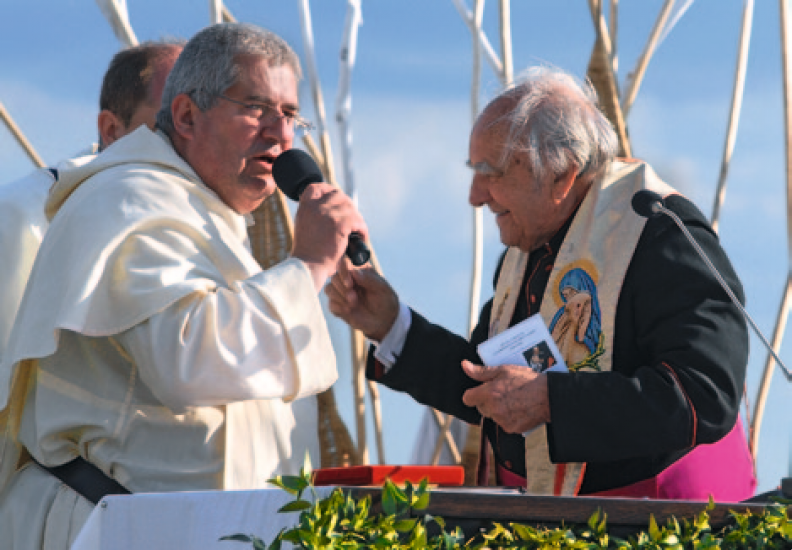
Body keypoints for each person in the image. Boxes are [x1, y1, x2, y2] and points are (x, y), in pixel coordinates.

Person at [0, 22, 366, 549]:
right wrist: (307, 264)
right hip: (114, 531)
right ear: (187, 116)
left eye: (289, 114)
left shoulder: (201, 213)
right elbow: (188, 358)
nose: (282, 136)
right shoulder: (126, 198)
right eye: (257, 107)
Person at [327, 65, 756, 501]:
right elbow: (488, 385)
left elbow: (706, 389)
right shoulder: (527, 248)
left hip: (659, 516)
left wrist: (553, 400)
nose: (475, 196)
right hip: (549, 519)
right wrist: (390, 325)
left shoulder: (658, 230)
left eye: (491, 172)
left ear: (561, 173)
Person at [0, 39, 183, 362]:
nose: (192, 141)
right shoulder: (22, 216)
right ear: (111, 130)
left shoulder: (213, 223)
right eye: (175, 122)